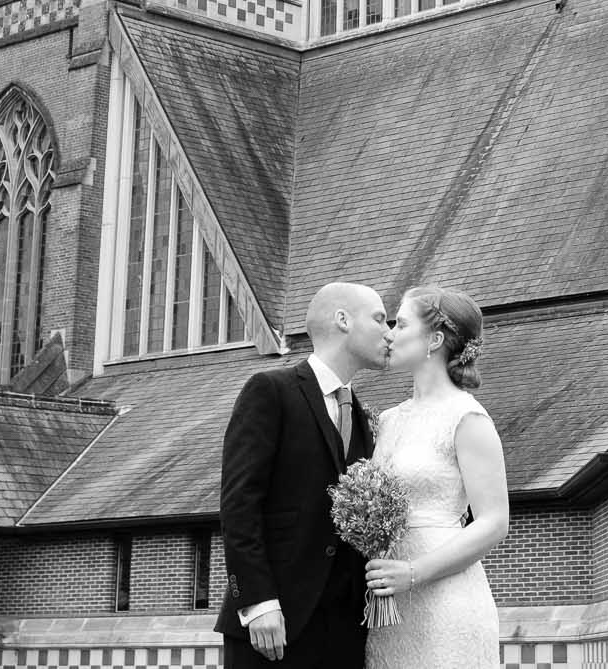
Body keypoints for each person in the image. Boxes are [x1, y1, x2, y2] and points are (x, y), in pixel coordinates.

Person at [217, 282, 392, 668]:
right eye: (380, 319)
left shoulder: (365, 421)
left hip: (344, 632)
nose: (390, 332)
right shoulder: (270, 392)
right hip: (270, 626)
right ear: (343, 320)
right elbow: (239, 503)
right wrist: (257, 601)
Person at [362, 285, 509, 669]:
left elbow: (494, 522)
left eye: (401, 323)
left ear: (435, 339)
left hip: (445, 601)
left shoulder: (467, 417)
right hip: (386, 606)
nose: (390, 333)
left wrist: (412, 573)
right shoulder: (389, 420)